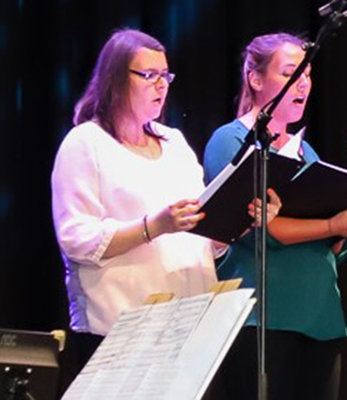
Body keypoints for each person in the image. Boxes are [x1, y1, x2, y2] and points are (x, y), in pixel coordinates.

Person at [52, 27, 250, 393]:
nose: (161, 85)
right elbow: (76, 239)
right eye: (149, 75)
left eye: (165, 76)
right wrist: (153, 226)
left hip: (187, 330)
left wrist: (237, 221)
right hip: (121, 334)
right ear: (115, 79)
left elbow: (200, 235)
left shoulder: (174, 142)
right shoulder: (86, 143)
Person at [201, 32, 347, 400]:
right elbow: (259, 227)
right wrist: (330, 225)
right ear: (255, 78)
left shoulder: (306, 152)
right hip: (262, 316)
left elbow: (331, 247)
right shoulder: (231, 141)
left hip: (320, 317)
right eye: (290, 73)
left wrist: (346, 228)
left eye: (307, 75)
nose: (303, 84)